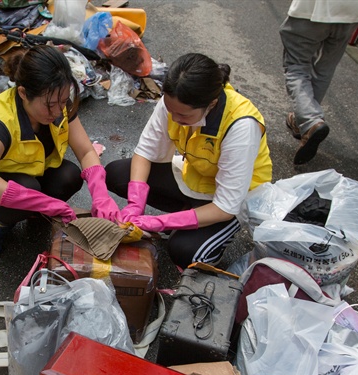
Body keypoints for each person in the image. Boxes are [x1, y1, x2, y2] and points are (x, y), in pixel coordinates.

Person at [104, 53, 272, 269]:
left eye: (183, 116)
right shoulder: (175, 102)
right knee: (117, 174)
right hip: (195, 178)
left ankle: (208, 236)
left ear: (211, 103)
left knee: (184, 252)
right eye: (170, 110)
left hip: (233, 201)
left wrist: (159, 222)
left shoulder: (241, 126)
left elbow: (225, 206)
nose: (174, 119)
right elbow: (145, 152)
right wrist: (136, 203)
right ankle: (188, 214)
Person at [0, 45, 120, 265]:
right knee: (28, 189)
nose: (57, 112)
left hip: (30, 171)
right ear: (23, 93)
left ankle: (32, 211)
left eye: (63, 101)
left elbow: (84, 151)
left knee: (70, 176)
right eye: (50, 105)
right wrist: (42, 202)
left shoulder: (57, 100)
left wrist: (101, 195)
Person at [280, 0, 358, 165]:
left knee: (296, 66)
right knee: (325, 68)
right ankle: (302, 121)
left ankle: (310, 120)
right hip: (354, 11)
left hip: (313, 10)